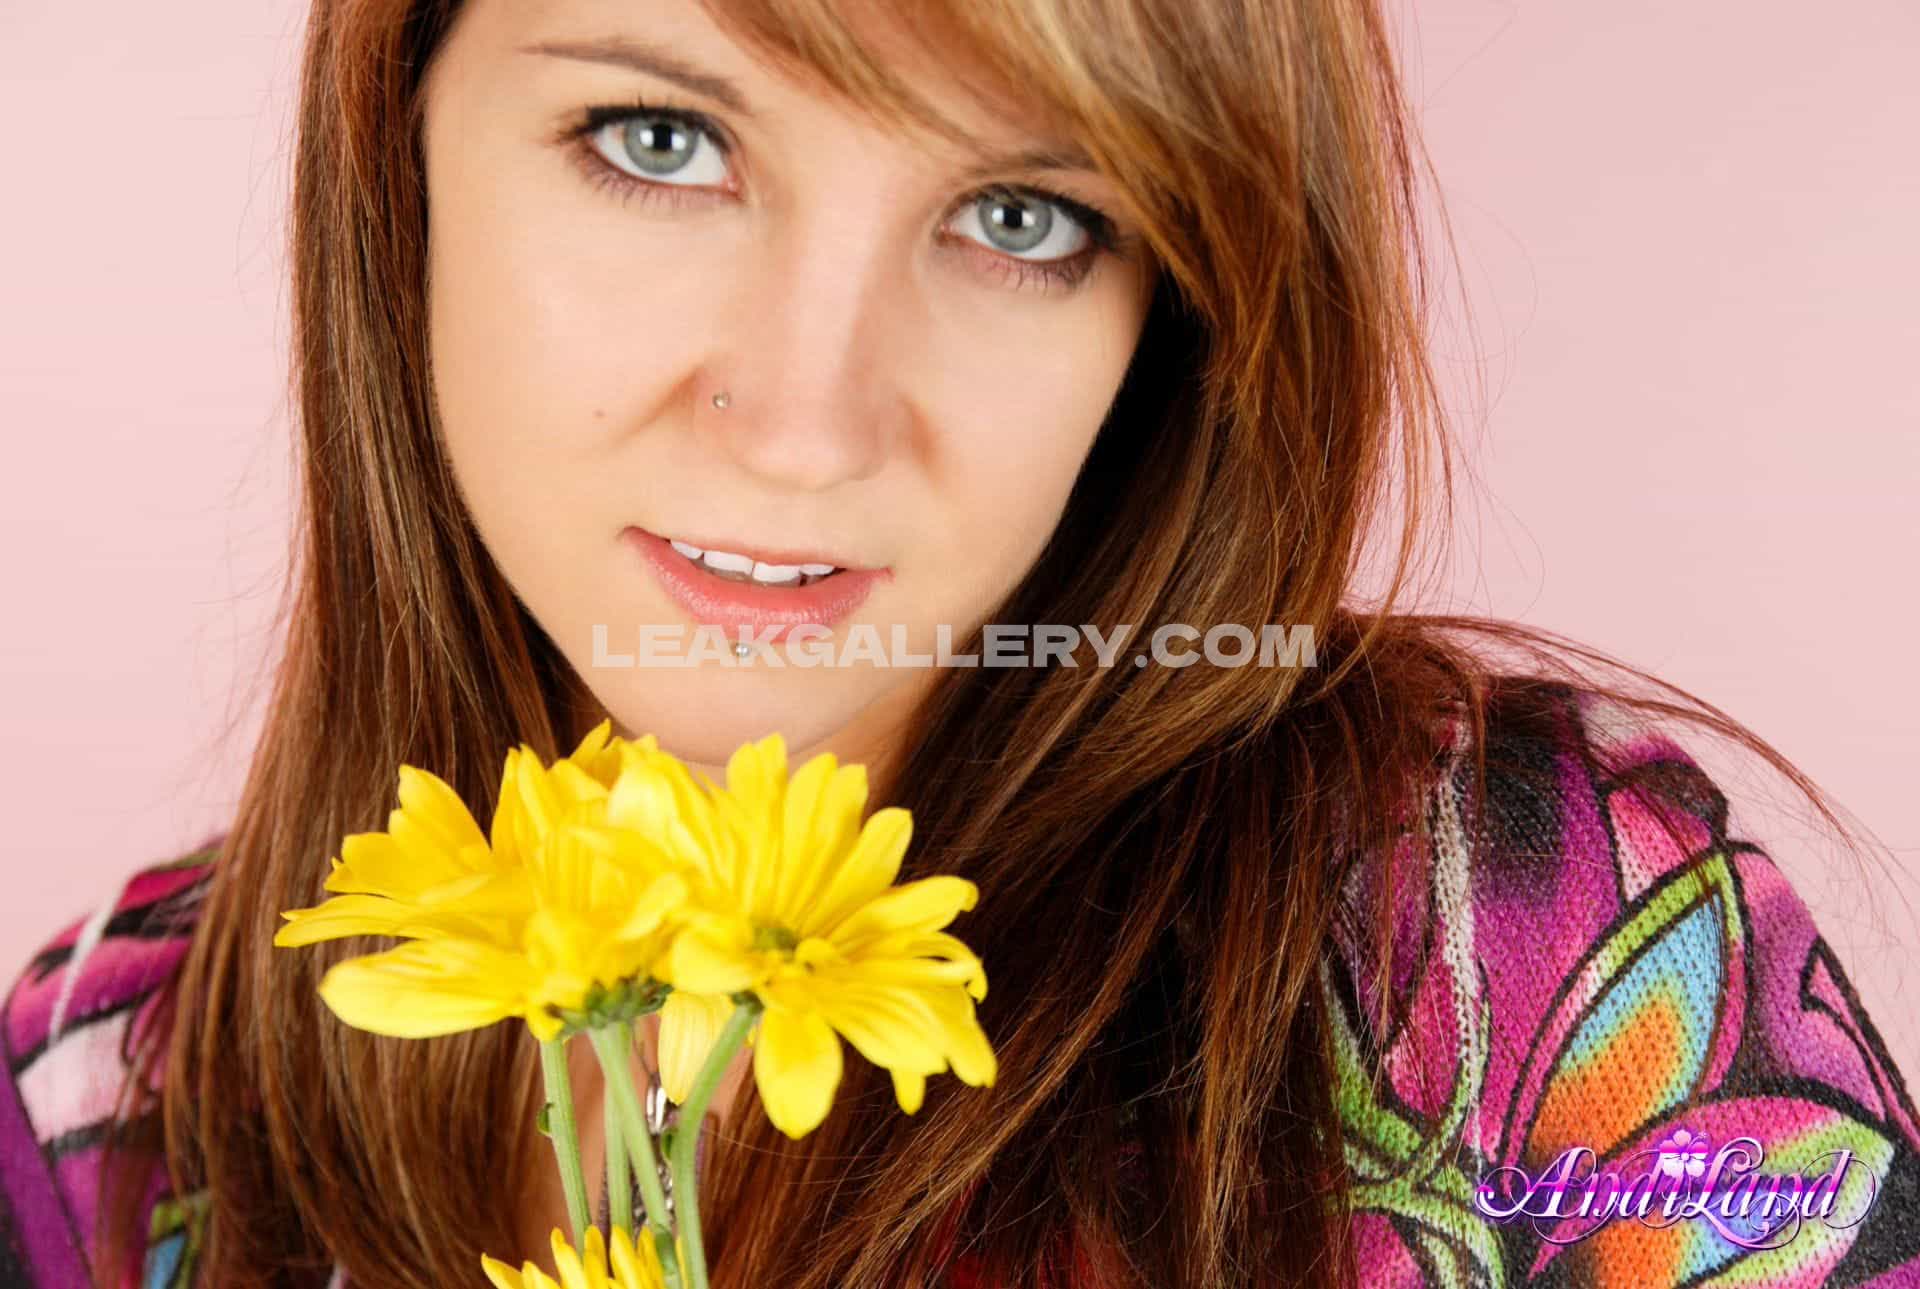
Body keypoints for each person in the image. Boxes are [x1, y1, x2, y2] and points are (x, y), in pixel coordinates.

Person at [3, 0, 1914, 1285]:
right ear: (398, 147)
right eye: (661, 138)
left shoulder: (1506, 953)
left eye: (1021, 215)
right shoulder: (105, 1104)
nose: (809, 423)